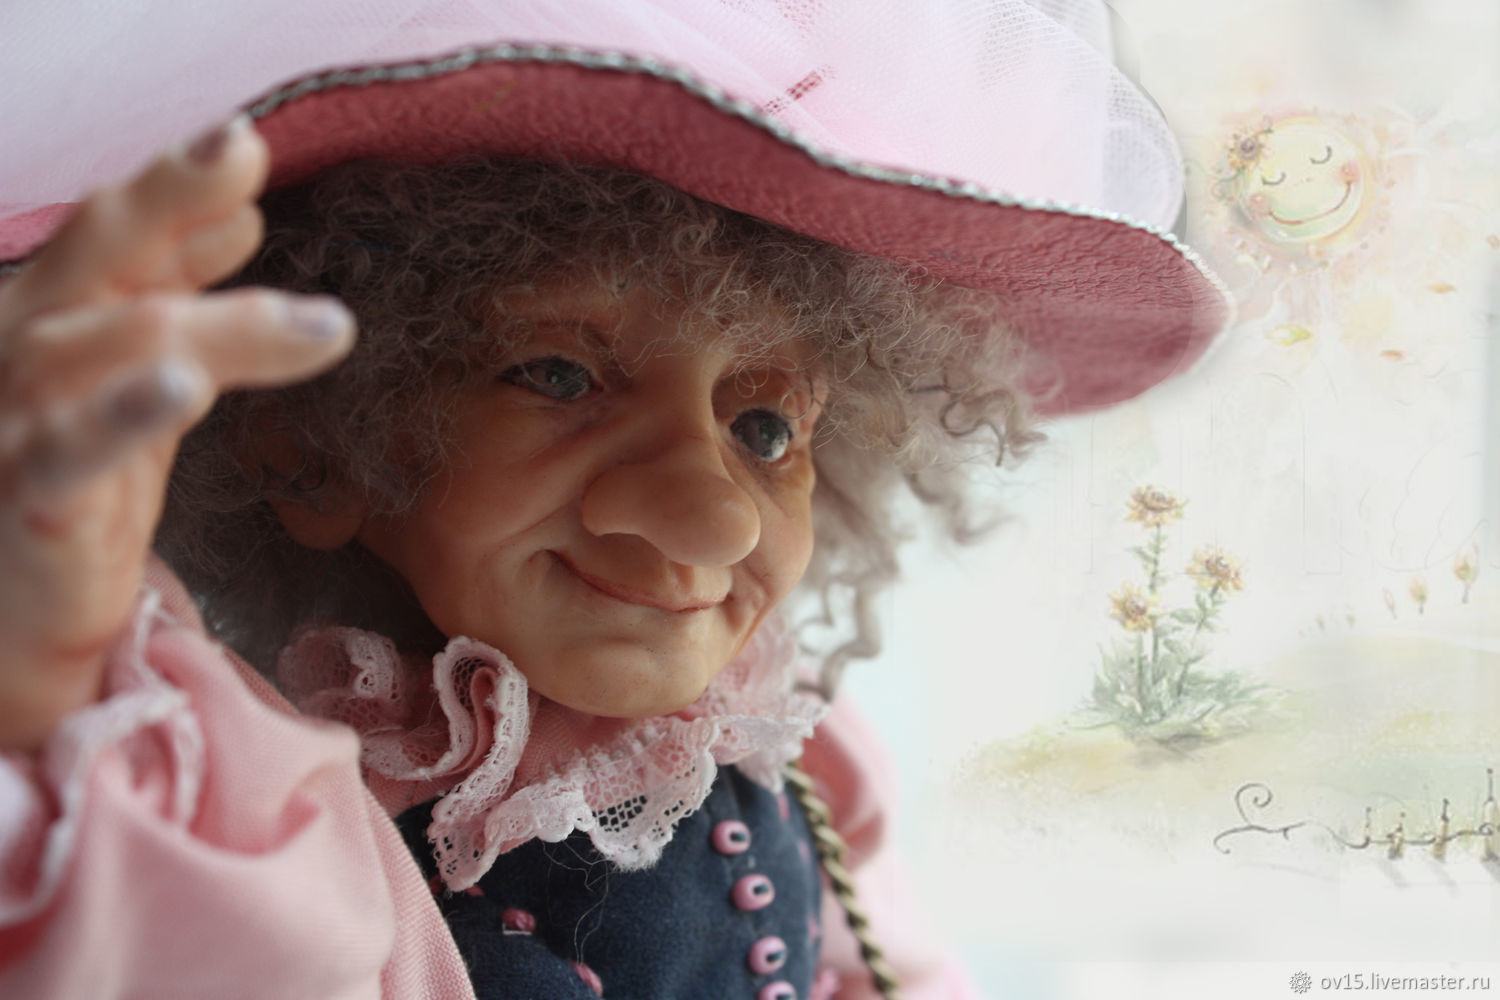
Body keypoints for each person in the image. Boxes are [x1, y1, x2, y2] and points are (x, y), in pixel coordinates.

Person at [0, 2, 1229, 997]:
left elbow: (887, 966)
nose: (711, 519)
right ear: (312, 447)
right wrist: (57, 660)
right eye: (558, 374)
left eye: (764, 427)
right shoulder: (292, 821)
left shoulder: (784, 748)